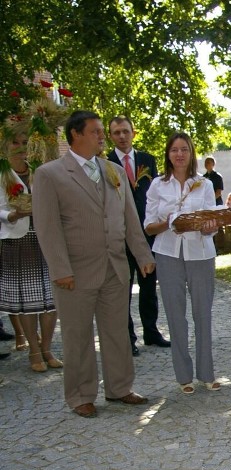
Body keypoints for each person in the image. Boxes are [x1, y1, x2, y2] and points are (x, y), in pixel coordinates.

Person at [32, 110, 154, 418]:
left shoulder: (113, 170)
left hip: (115, 267)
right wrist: (60, 270)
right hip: (75, 271)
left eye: (102, 132)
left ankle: (120, 387)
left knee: (116, 331)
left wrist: (143, 255)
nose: (102, 136)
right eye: (96, 132)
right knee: (78, 336)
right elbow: (47, 228)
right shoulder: (50, 174)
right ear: (76, 134)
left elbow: (129, 217)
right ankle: (81, 395)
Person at [144, 132, 221, 394]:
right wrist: (170, 222)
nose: (179, 154)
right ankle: (183, 376)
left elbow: (211, 223)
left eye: (184, 150)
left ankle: (207, 373)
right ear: (168, 154)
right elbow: (149, 226)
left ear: (191, 154)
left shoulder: (204, 184)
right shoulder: (157, 185)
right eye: (174, 149)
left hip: (200, 253)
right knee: (176, 316)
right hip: (168, 253)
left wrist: (209, 226)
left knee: (203, 314)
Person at [107, 115, 169, 357]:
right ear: (111, 136)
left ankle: (151, 331)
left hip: (146, 233)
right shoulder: (105, 163)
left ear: (133, 132)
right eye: (116, 133)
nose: (122, 136)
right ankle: (127, 337)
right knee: (123, 288)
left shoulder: (147, 160)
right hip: (120, 234)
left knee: (148, 286)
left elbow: (154, 194)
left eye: (125, 131)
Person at [0, 130, 60, 372]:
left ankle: (47, 349)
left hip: (45, 239)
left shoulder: (39, 170)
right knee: (26, 301)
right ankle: (34, 352)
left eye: (25, 142)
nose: (21, 147)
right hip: (17, 240)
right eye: (16, 142)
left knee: (51, 300)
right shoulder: (2, 173)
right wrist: (11, 215)